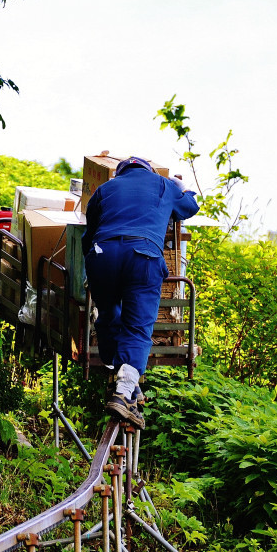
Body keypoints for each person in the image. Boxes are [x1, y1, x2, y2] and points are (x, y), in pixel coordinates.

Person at [82, 156, 200, 428]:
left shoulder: (105, 190)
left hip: (103, 255)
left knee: (109, 314)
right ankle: (124, 393)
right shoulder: (163, 185)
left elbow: (88, 237)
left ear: (121, 172)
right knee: (137, 327)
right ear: (148, 170)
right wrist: (182, 187)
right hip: (143, 257)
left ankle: (117, 371)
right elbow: (189, 208)